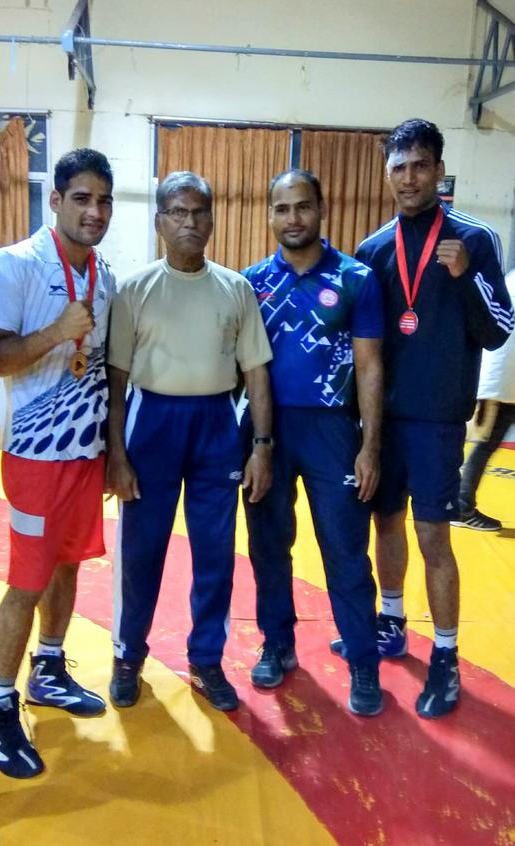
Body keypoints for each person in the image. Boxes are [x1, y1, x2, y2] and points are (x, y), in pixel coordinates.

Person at [332, 118, 513, 719]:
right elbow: (363, 346)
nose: (409, 178)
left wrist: (464, 279)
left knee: (433, 535)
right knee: (385, 525)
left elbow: (499, 331)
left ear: (438, 170)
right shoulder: (373, 249)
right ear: (388, 175)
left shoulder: (475, 240)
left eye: (419, 166)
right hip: (382, 423)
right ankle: (390, 623)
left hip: (438, 422)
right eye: (398, 168)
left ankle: (445, 655)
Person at [106, 171, 273, 712]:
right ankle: (128, 653)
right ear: (159, 222)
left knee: (216, 554)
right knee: (142, 550)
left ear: (213, 221)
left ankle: (206, 658)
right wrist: (116, 453)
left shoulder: (236, 288)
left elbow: (257, 373)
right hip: (150, 421)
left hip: (215, 426)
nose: (190, 222)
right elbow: (115, 380)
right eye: (178, 212)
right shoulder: (134, 291)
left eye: (200, 212)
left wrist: (262, 444)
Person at [0, 149, 115, 779]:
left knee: (67, 568)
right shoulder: (16, 264)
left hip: (84, 455)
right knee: (27, 581)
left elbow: (108, 367)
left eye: (104, 200)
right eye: (82, 198)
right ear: (55, 200)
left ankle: (49, 668)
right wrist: (58, 331)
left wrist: (113, 451)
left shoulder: (105, 276)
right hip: (34, 454)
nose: (94, 211)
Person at [242, 170, 384, 716]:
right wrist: (255, 441)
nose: (293, 218)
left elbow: (371, 368)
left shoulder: (356, 280)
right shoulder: (250, 283)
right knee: (268, 546)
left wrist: (370, 446)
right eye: (282, 209)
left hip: (333, 433)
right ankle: (277, 645)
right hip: (265, 433)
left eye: (303, 207)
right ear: (270, 214)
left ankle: (364, 663)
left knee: (346, 552)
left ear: (321, 209)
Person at [452, 268, 515, 531]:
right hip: (500, 380)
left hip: (501, 378)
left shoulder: (510, 279)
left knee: (483, 441)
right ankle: (461, 505)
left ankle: (459, 503)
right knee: (483, 442)